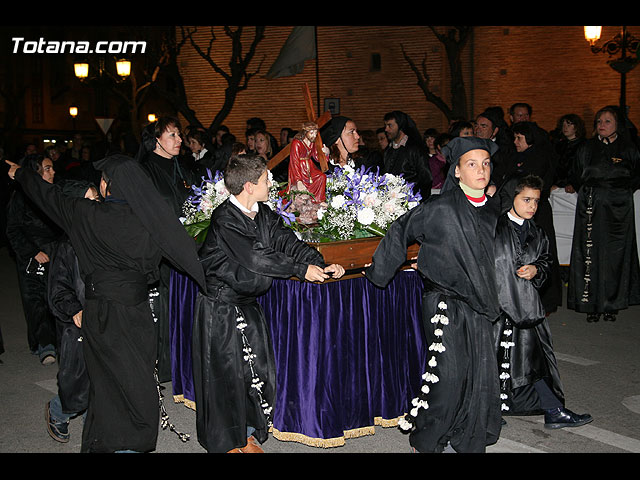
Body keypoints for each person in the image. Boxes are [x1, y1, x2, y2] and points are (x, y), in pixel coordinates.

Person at [5, 153, 206, 453]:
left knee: (106, 385)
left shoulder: (84, 213)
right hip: (137, 311)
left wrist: (22, 174)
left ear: (106, 185)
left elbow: (47, 196)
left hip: (99, 313)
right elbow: (188, 251)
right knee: (137, 383)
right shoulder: (152, 221)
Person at [192, 153, 345, 453]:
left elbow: (287, 242)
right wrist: (301, 270)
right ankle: (227, 443)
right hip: (220, 309)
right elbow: (256, 257)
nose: (271, 183)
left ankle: (246, 433)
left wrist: (319, 263)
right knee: (226, 377)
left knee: (255, 372)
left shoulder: (262, 213)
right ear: (249, 186)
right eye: (265, 179)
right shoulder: (225, 219)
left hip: (248, 304)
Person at [365, 136, 502, 453]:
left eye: (485, 163)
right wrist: (380, 273)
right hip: (444, 304)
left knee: (478, 372)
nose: (481, 170)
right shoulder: (438, 208)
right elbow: (401, 229)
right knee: (448, 375)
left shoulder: (495, 212)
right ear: (456, 171)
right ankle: (426, 440)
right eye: (472, 164)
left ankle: (468, 434)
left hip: (482, 305)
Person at [495, 174, 593, 429]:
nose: (532, 206)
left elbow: (547, 261)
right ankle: (489, 410)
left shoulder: (538, 232)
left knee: (535, 360)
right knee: (492, 361)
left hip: (526, 308)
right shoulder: (493, 228)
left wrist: (536, 270)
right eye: (526, 199)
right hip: (497, 309)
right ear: (511, 199)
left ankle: (553, 409)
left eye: (536, 201)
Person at [567, 105, 640, 323]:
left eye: (607, 121)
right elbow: (576, 174)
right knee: (591, 251)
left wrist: (618, 192)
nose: (602, 125)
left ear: (618, 124)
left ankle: (612, 304)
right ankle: (591, 303)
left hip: (619, 208)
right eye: (599, 121)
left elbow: (636, 175)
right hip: (591, 206)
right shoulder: (586, 147)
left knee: (615, 254)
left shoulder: (628, 148)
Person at [137, 116, 195, 382]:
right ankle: (166, 365)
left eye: (179, 135)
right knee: (166, 309)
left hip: (189, 246)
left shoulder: (183, 166)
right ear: (156, 140)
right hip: (162, 250)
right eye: (172, 135)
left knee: (188, 306)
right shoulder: (145, 170)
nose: (179, 140)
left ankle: (187, 361)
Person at [45, 180, 99, 443]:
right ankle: (58, 411)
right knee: (77, 383)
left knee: (103, 379)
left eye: (96, 199)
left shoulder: (102, 235)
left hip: (102, 316)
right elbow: (58, 290)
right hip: (75, 323)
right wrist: (74, 309)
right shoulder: (66, 246)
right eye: (87, 200)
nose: (94, 205)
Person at [6, 153, 62, 365]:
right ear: (36, 172)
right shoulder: (20, 197)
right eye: (48, 168)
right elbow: (12, 230)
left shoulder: (53, 193)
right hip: (32, 256)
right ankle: (43, 344)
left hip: (56, 253)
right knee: (35, 301)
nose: (53, 172)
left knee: (55, 298)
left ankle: (56, 341)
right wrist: (32, 252)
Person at [505, 121, 562, 314]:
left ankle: (546, 300)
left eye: (519, 138)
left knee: (541, 252)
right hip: (518, 211)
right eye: (514, 137)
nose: (515, 141)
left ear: (530, 139)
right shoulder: (515, 156)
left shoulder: (540, 156)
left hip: (537, 212)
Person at [382, 111, 432, 200]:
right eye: (385, 126)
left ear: (400, 126)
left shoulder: (415, 149)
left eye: (390, 125)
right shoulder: (388, 150)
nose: (386, 129)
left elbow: (426, 178)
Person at [475, 108, 516, 191]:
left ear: (495, 131)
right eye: (476, 125)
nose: (477, 130)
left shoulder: (504, 150)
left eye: (483, 126)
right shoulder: (469, 146)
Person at [287, 122, 326, 202]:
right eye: (311, 133)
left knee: (322, 177)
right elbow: (294, 161)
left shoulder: (312, 142)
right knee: (303, 186)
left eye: (315, 133)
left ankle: (317, 200)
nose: (314, 135)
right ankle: (306, 201)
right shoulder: (297, 143)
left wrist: (325, 153)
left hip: (310, 166)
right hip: (299, 168)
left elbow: (316, 157)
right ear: (305, 132)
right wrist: (298, 180)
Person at [552, 114, 587, 192]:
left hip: (575, 187)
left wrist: (574, 184)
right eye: (563, 125)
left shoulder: (584, 145)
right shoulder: (559, 145)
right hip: (558, 185)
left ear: (576, 126)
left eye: (569, 125)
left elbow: (583, 168)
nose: (565, 127)